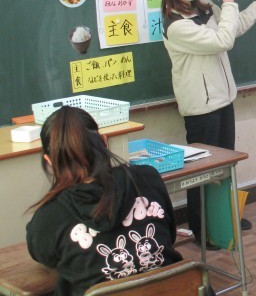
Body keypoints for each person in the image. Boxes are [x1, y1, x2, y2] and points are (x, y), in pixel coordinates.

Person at [160, 0, 256, 242]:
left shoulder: (206, 7)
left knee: (225, 165)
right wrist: (230, 1)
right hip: (201, 107)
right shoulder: (176, 26)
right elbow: (223, 41)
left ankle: (225, 218)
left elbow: (232, 28)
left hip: (223, 98)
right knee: (202, 172)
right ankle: (202, 230)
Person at [26, 106, 183, 296]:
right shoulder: (148, 178)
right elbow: (170, 235)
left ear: (49, 162)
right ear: (104, 142)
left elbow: (44, 256)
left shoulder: (49, 216)